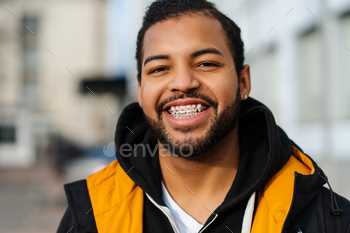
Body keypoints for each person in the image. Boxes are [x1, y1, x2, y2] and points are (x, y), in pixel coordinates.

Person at [57, 0, 350, 232]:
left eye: (206, 63)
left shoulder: (326, 218)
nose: (183, 82)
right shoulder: (90, 215)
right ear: (140, 89)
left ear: (243, 81)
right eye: (159, 68)